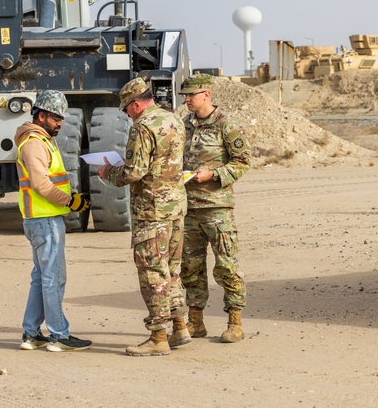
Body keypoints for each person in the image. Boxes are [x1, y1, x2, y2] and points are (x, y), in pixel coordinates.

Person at [97, 77, 191, 356]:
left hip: (151, 212)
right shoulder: (174, 120)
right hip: (175, 208)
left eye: (127, 109)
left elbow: (134, 172)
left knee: (153, 274)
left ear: (137, 104)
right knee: (172, 270)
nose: (127, 114)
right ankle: (180, 327)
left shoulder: (143, 127)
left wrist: (108, 173)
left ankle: (158, 338)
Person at [14, 90, 93, 352]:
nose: (60, 123)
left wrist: (70, 198)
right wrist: (70, 201)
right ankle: (59, 335)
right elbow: (40, 184)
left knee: (41, 278)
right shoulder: (35, 142)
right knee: (53, 278)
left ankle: (31, 334)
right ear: (42, 115)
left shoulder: (39, 140)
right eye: (56, 118)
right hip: (45, 220)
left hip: (39, 218)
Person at [179, 74, 251, 343]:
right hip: (188, 208)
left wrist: (213, 175)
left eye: (191, 95)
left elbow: (242, 162)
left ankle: (235, 321)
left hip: (217, 208)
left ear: (206, 94)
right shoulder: (183, 125)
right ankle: (196, 321)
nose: (186, 100)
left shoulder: (226, 125)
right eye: (184, 96)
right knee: (190, 267)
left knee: (226, 265)